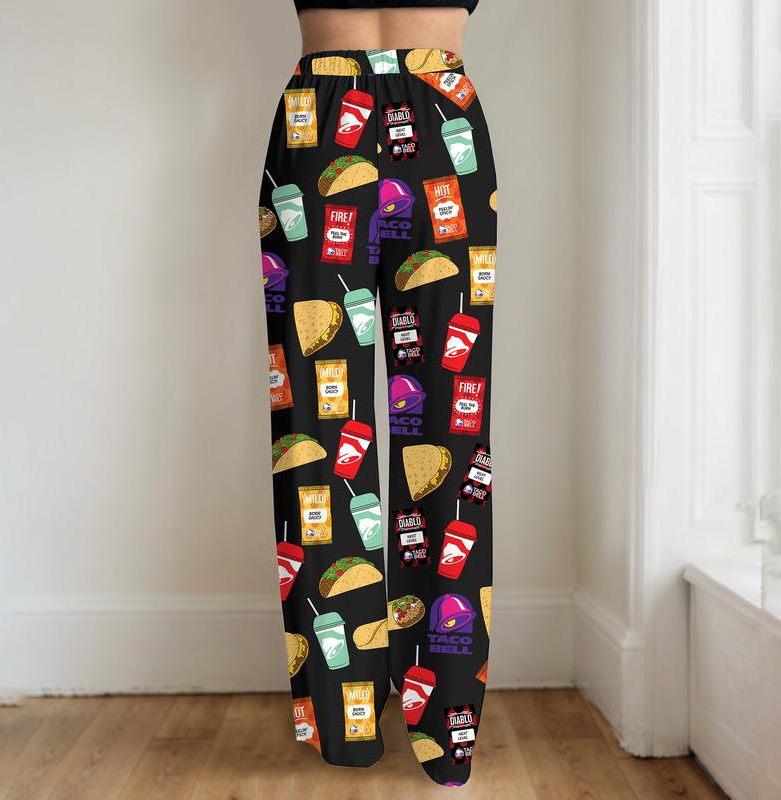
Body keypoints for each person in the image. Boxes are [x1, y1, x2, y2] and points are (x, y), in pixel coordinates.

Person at [258, 0, 496, 787]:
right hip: (326, 117)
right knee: (319, 434)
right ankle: (348, 720)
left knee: (449, 435)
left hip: (430, 117)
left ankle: (440, 719)